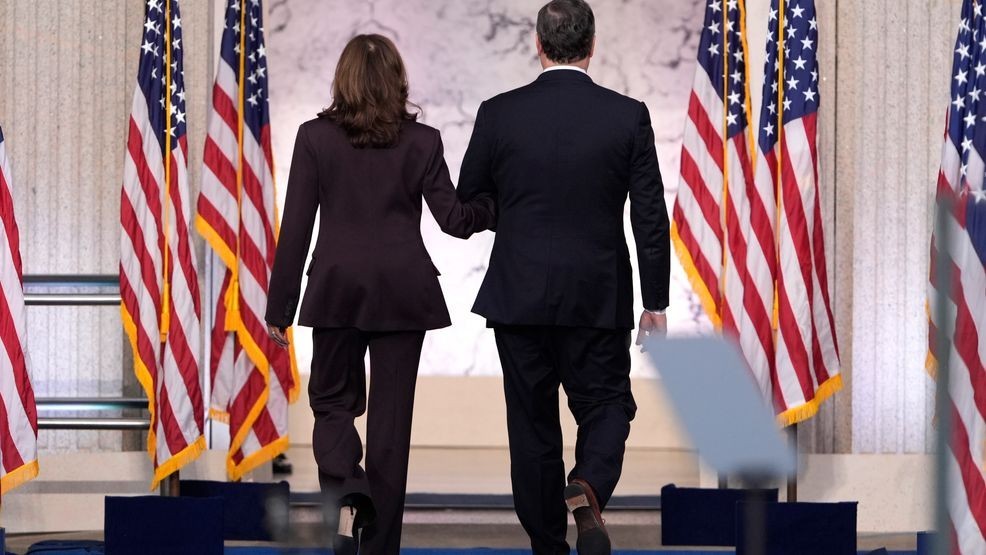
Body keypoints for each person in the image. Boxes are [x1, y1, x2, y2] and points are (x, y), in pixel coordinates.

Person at [264, 34, 496, 555]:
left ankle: (347, 487)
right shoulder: (424, 140)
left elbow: (296, 228)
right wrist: (496, 206)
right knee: (393, 429)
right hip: (403, 293)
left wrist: (280, 308)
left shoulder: (313, 138)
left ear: (342, 78)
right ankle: (380, 548)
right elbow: (456, 220)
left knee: (331, 404)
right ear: (398, 81)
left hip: (337, 290)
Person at [455, 1, 670, 553]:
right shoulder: (627, 115)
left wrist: (519, 214)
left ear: (538, 43)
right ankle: (588, 487)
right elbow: (649, 214)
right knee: (607, 406)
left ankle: (547, 547)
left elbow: (471, 197)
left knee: (531, 430)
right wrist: (655, 301)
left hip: (517, 295)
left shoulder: (498, 113)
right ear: (592, 45)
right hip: (596, 297)